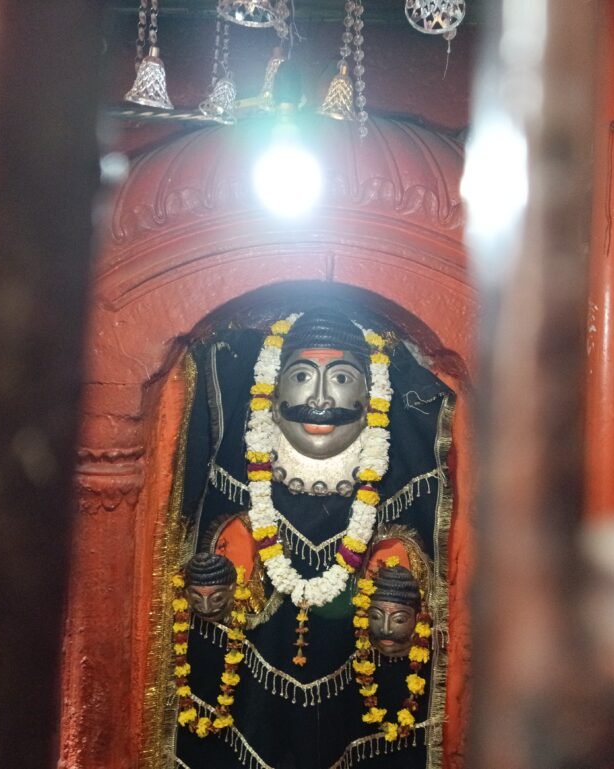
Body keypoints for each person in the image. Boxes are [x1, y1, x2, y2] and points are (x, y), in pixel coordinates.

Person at [167, 307, 454, 769]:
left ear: (372, 393)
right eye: (301, 376)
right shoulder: (240, 464)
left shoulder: (401, 473)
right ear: (273, 388)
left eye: (341, 378)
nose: (320, 399)